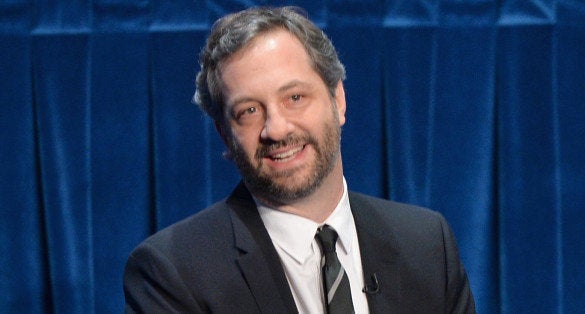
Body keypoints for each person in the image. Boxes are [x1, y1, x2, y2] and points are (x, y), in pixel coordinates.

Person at [123, 6, 475, 313]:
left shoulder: (427, 244)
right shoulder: (174, 272)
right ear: (224, 135)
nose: (276, 129)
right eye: (249, 111)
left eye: (294, 97)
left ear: (338, 99)